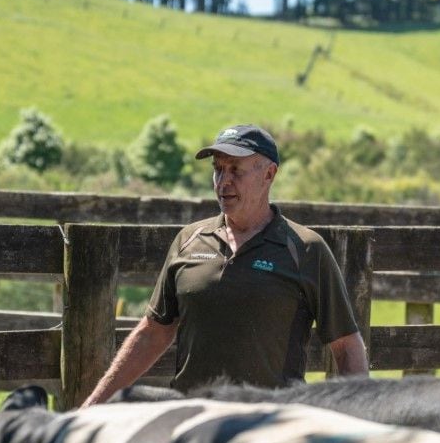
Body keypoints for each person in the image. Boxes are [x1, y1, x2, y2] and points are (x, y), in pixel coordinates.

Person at [81, 124, 368, 406]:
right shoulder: (189, 240)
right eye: (218, 169)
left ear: (268, 174)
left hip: (268, 424)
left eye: (235, 170)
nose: (223, 181)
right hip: (193, 422)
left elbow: (346, 347)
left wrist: (357, 428)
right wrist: (92, 407)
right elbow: (153, 333)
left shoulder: (305, 249)